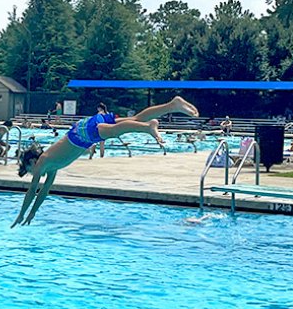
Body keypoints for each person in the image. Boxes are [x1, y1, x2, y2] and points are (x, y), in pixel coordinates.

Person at [12, 96, 199, 226]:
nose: (32, 174)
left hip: (82, 134)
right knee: (133, 119)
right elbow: (43, 191)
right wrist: (33, 213)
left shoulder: (43, 162)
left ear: (31, 163)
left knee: (116, 131)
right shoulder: (51, 166)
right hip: (83, 133)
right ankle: (172, 105)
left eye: (28, 171)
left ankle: (148, 127)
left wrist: (22, 213)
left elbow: (32, 192)